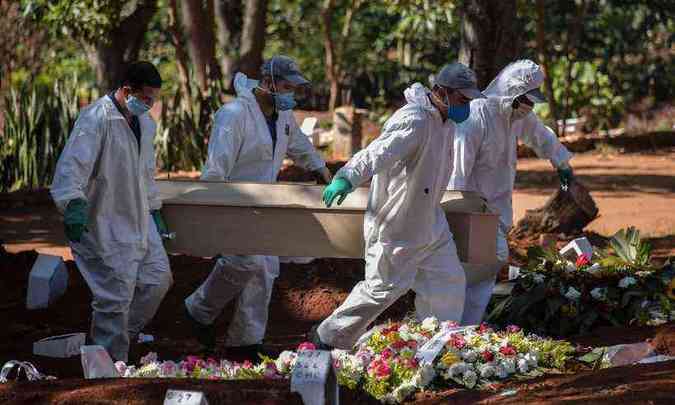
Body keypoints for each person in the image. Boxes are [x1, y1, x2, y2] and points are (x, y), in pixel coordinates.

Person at [311, 63, 484, 350]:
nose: (466, 106)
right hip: (399, 225)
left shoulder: (447, 123)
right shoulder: (414, 120)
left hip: (431, 223)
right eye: (463, 99)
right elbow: (377, 152)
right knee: (382, 290)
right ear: (441, 91)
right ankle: (328, 336)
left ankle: (437, 344)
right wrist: (347, 177)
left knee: (449, 283)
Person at [185, 55, 332, 356]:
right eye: (288, 87)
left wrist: (320, 169)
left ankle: (245, 342)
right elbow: (215, 169)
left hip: (264, 206)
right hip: (234, 202)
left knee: (264, 268)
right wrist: (211, 207)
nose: (292, 95)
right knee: (245, 262)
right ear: (268, 83)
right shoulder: (234, 115)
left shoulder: (282, 116)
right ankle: (198, 310)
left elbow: (299, 144)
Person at [50, 61, 173, 362]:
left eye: (153, 98)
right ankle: (108, 369)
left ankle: (122, 335)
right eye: (144, 97)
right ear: (126, 90)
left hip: (138, 217)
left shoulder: (145, 124)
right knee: (114, 297)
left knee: (158, 279)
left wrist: (154, 210)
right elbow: (72, 167)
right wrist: (72, 203)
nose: (149, 104)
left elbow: (145, 172)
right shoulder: (96, 119)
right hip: (102, 222)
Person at [448, 59, 574, 325]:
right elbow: (458, 168)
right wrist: (456, 211)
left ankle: (466, 329)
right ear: (512, 93)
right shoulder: (478, 115)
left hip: (497, 211)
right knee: (468, 273)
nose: (529, 106)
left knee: (486, 269)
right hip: (472, 210)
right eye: (526, 100)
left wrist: (561, 161)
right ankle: (453, 328)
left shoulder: (516, 116)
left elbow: (540, 134)